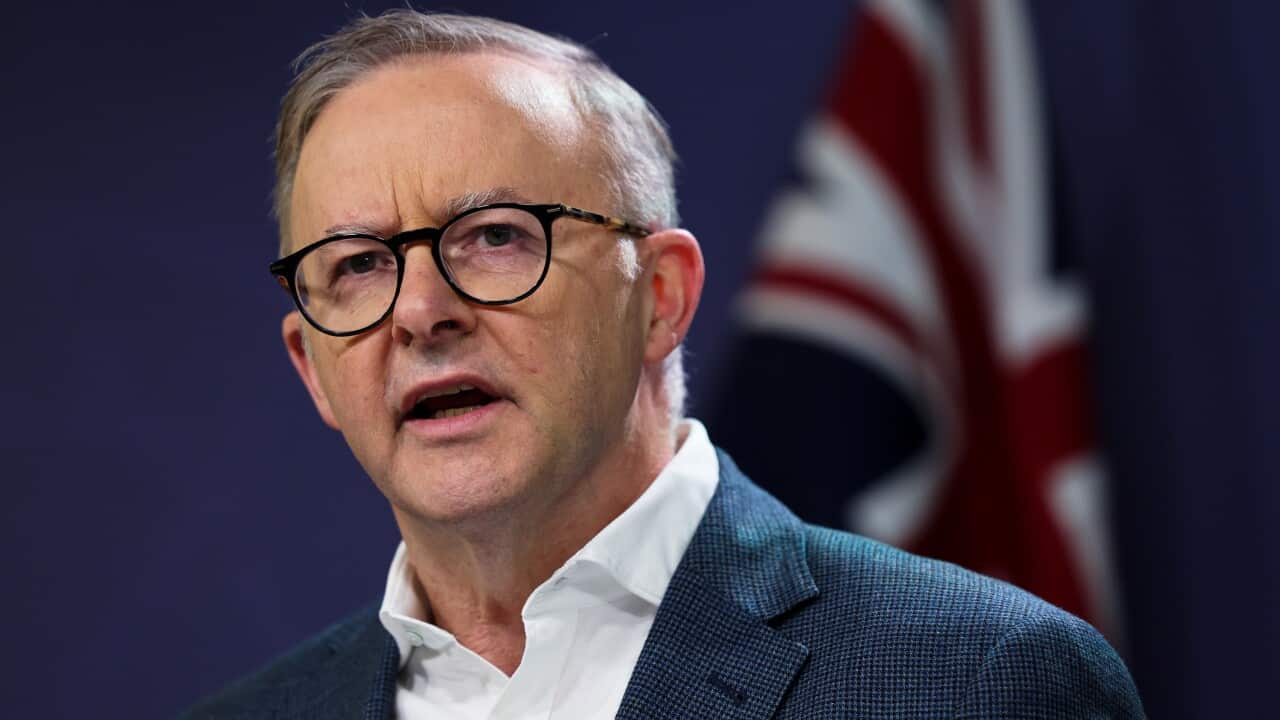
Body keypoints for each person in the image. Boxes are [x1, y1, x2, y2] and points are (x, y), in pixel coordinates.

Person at [184, 10, 1143, 719]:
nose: (422, 313)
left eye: (495, 238)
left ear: (661, 297)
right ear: (314, 368)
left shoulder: (976, 681)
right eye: (357, 266)